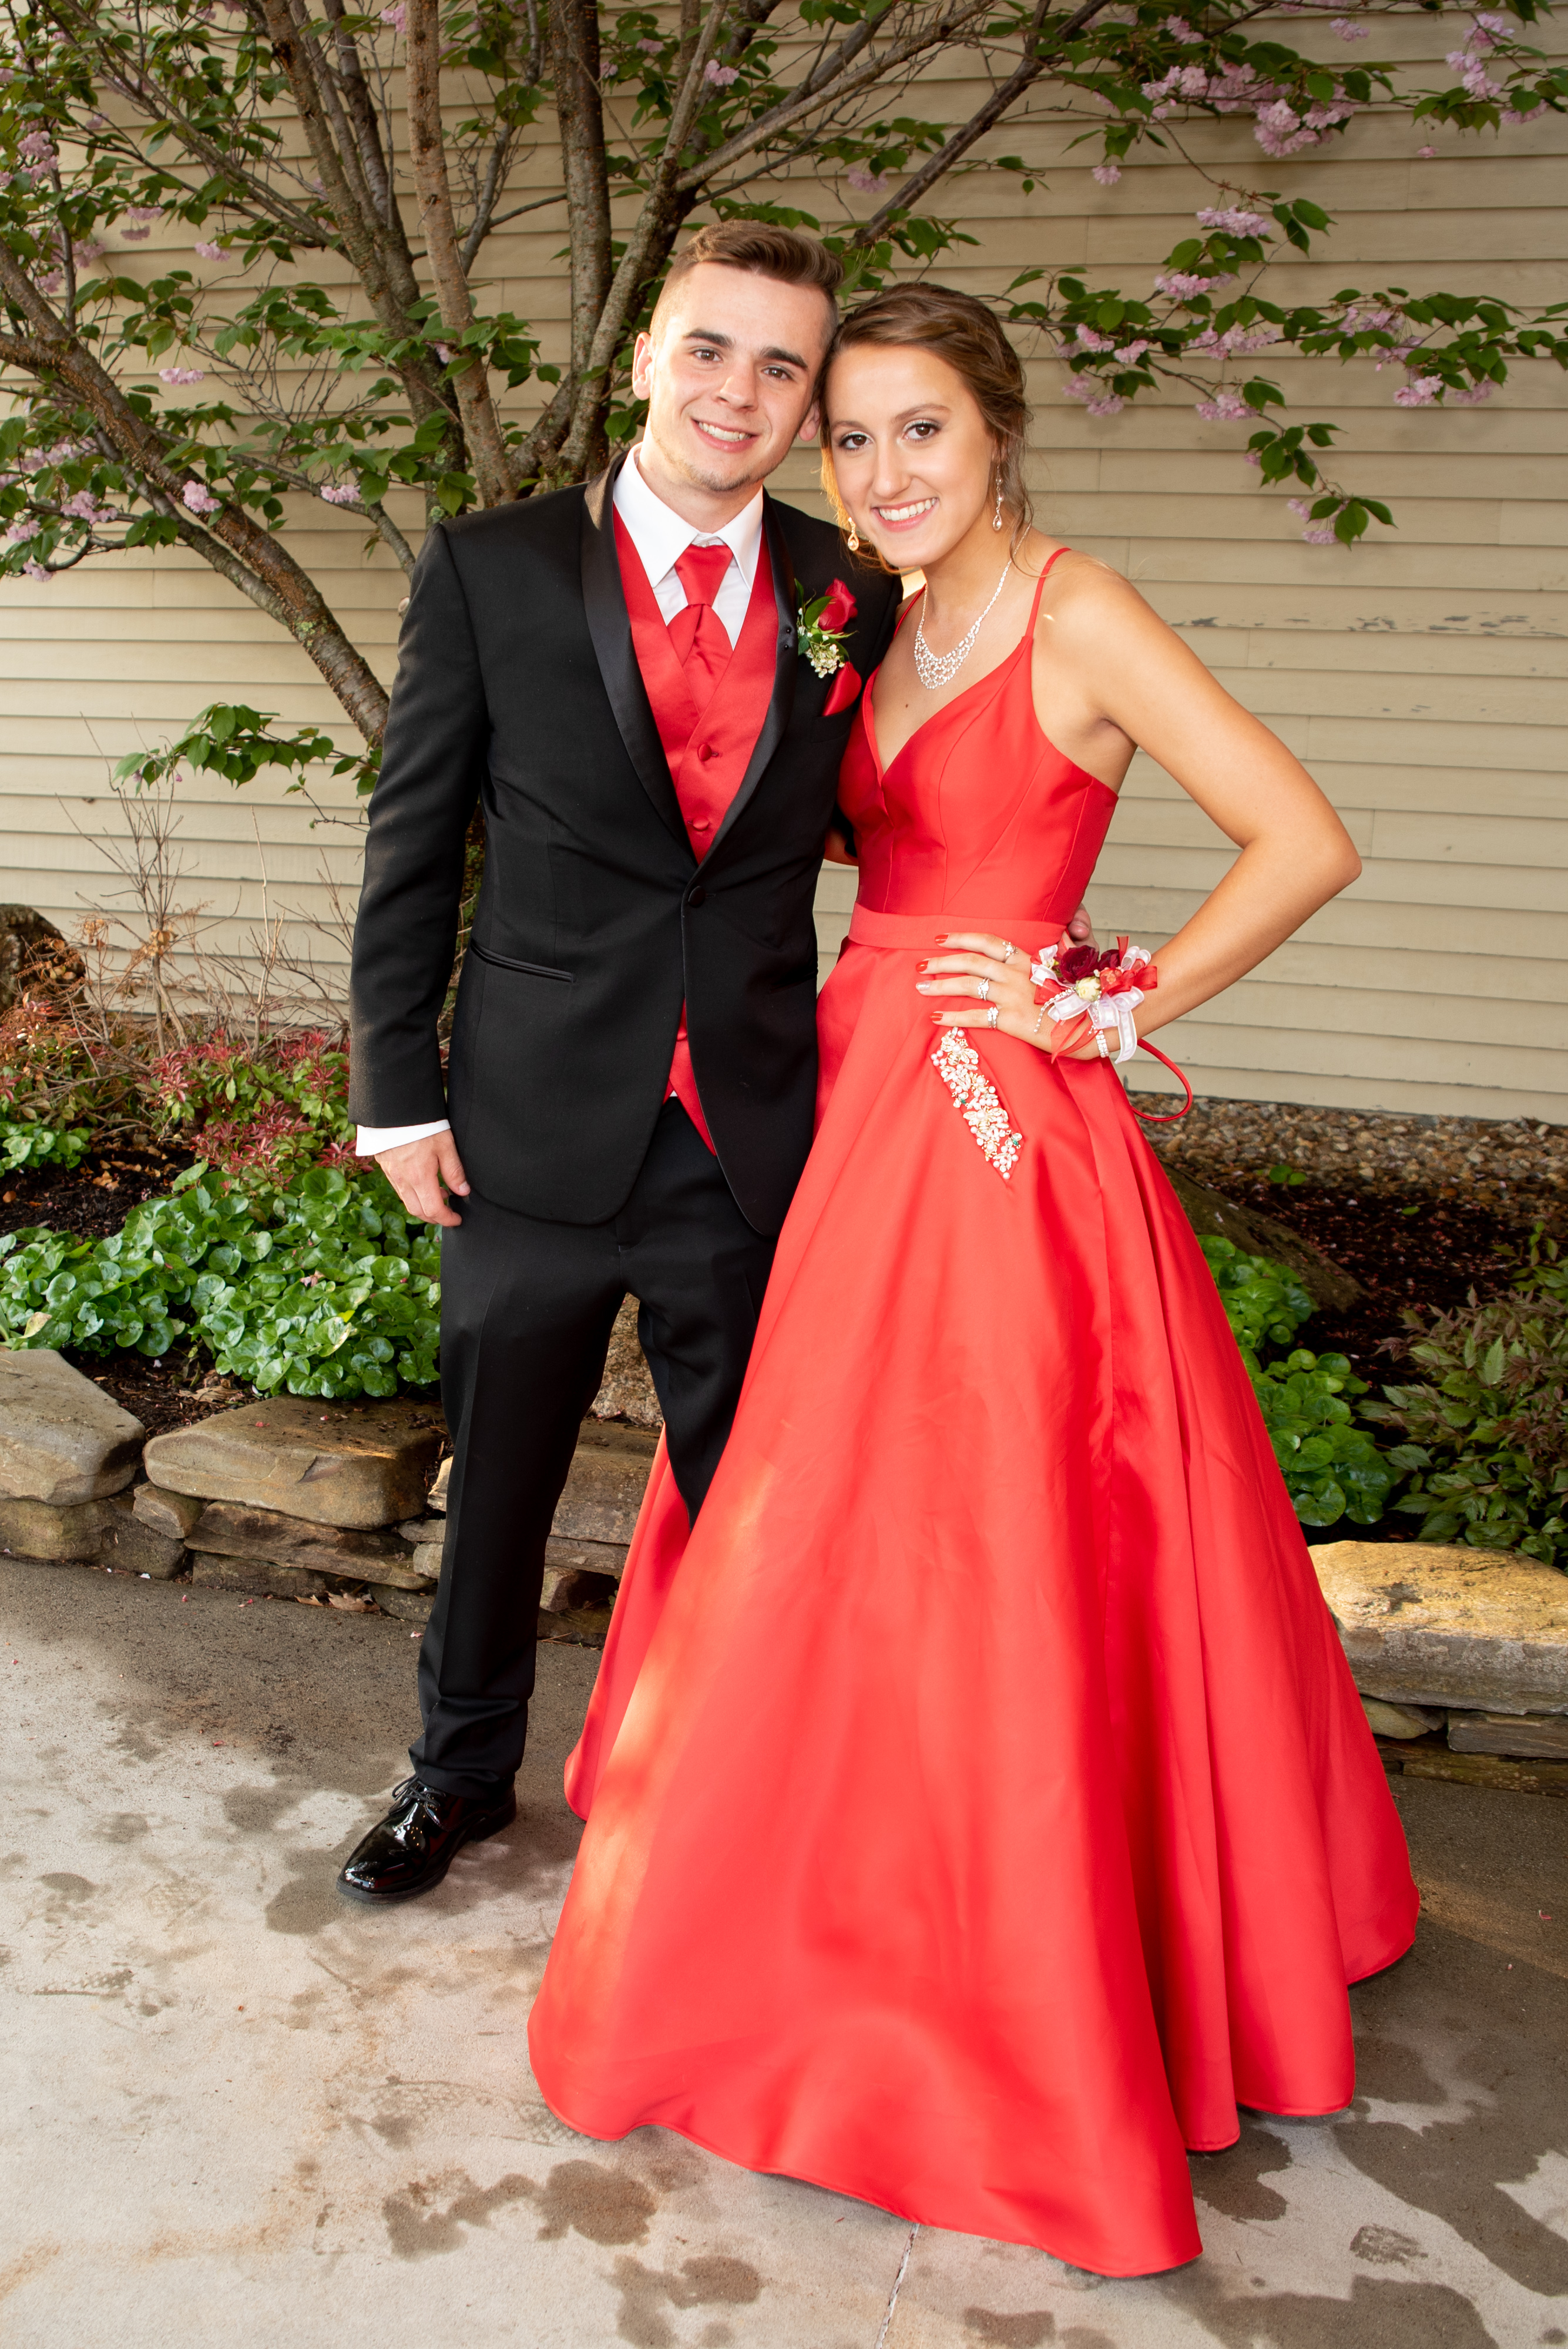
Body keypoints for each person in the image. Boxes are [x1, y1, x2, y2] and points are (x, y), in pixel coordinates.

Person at [526, 283, 1419, 2276]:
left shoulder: (1077, 612)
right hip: (843, 1097)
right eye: (850, 436)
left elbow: (1304, 837)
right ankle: (792, 1912)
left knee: (998, 1526)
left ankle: (1009, 1973)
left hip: (1005, 1133)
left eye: (918, 430)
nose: (879, 470)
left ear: (999, 433)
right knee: (801, 1507)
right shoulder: (865, 610)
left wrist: (1113, 998)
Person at [335, 223, 909, 1903]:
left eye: (782, 367)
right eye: (713, 348)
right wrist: (395, 1089)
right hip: (523, 1126)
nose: (740, 391)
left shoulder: (847, 593)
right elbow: (413, 846)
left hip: (747, 1135)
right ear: (648, 351)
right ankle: (457, 1777)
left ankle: (753, 1800)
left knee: (756, 1503)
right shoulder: (494, 565)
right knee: (498, 1476)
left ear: (809, 405)